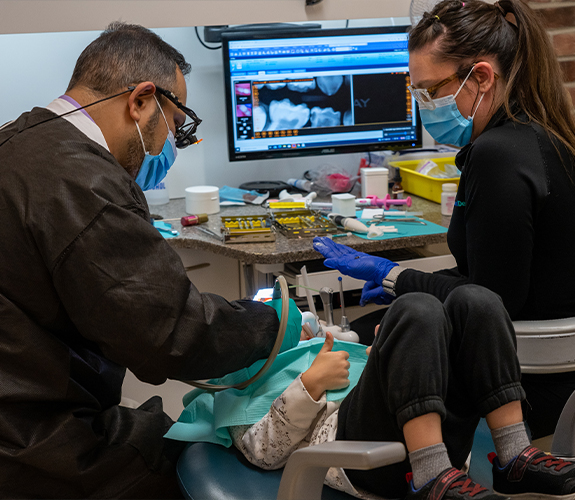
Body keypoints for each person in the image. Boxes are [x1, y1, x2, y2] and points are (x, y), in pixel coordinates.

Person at [0, 23, 290, 498]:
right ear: (140, 100)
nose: (164, 148)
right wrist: (272, 324)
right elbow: (170, 334)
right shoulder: (84, 184)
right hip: (31, 445)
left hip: (22, 407)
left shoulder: (19, 141)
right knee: (181, 455)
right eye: (174, 127)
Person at [315, 0, 575, 441]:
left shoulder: (495, 156)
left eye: (429, 91)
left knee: (347, 349)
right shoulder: (548, 139)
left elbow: (489, 301)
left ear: (481, 77)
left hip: (519, 387)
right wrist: (402, 282)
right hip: (556, 378)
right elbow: (498, 273)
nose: (422, 107)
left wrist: (393, 274)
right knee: (369, 327)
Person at [171, 285, 575, 500]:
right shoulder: (251, 389)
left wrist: (397, 352)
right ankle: (430, 476)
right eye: (294, 331)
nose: (307, 330)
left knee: (477, 301)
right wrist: (308, 385)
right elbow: (264, 453)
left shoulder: (327, 351)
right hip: (368, 465)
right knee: (416, 308)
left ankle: (514, 458)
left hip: (429, 438)